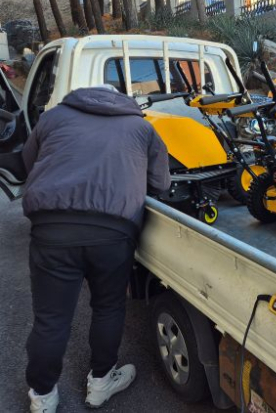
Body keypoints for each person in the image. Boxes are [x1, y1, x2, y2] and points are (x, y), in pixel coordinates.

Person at [21, 85, 171, 412]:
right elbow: (161, 183)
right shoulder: (142, 127)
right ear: (122, 100)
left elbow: (29, 162)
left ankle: (43, 398)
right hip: (113, 232)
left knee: (51, 318)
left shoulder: (53, 117)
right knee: (108, 307)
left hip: (52, 228)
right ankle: (101, 383)